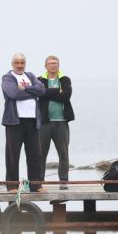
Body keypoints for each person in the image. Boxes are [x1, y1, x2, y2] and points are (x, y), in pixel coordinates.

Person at [1, 53, 46, 192]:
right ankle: (12, 185)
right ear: (12, 64)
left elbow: (42, 90)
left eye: (22, 62)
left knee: (35, 154)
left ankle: (36, 185)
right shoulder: (8, 78)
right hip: (14, 122)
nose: (20, 65)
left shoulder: (30, 76)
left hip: (32, 121)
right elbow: (14, 93)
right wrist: (33, 91)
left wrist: (25, 88)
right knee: (12, 154)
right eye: (17, 63)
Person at [38, 55, 74, 188]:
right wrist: (57, 91)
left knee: (63, 153)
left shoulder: (65, 79)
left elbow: (66, 96)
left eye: (55, 63)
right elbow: (40, 94)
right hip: (45, 122)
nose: (53, 65)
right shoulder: (39, 80)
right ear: (45, 66)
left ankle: (63, 182)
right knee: (41, 153)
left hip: (61, 122)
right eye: (50, 63)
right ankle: (39, 182)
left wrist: (48, 94)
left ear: (58, 65)